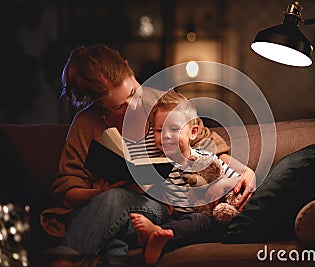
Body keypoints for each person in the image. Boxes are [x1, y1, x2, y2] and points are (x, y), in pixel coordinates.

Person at [39, 44, 255, 264]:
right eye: (117, 106)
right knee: (114, 237)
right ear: (99, 104)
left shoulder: (163, 103)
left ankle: (66, 257)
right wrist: (101, 192)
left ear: (127, 67)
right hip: (104, 212)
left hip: (156, 208)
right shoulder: (86, 123)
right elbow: (68, 190)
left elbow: (204, 143)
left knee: (117, 202)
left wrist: (245, 171)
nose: (131, 105)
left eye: (133, 92)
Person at [130, 90, 247, 265]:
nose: (166, 135)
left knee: (197, 221)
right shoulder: (158, 166)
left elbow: (237, 181)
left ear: (193, 132)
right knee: (174, 220)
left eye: (174, 129)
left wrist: (221, 183)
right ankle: (155, 238)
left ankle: (157, 235)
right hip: (179, 218)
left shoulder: (205, 159)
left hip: (211, 220)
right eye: (159, 130)